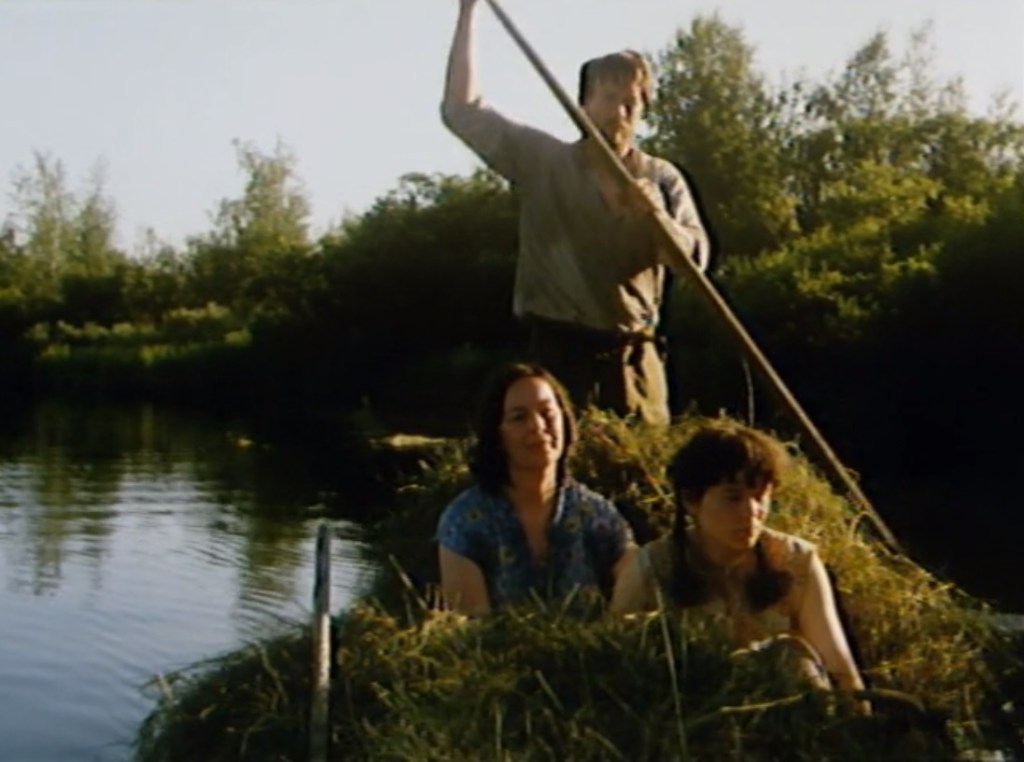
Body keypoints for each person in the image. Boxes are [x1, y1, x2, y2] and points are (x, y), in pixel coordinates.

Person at [441, 0, 710, 426]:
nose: (618, 113)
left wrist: (657, 217)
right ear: (584, 105)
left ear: (642, 111)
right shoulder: (542, 161)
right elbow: (461, 110)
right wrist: (468, 13)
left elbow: (693, 261)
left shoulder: (661, 178)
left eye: (630, 103)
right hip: (559, 357)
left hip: (635, 363)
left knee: (643, 465)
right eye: (608, 99)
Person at [611, 421, 867, 697]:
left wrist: (856, 712)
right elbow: (615, 662)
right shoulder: (651, 567)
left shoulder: (796, 561)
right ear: (691, 501)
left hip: (785, 707)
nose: (751, 512)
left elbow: (837, 661)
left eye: (760, 497)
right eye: (732, 498)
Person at [436, 362, 638, 614]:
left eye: (547, 413)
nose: (537, 426)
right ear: (497, 435)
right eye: (519, 417)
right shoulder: (465, 522)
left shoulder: (597, 515)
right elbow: (471, 625)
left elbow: (636, 587)